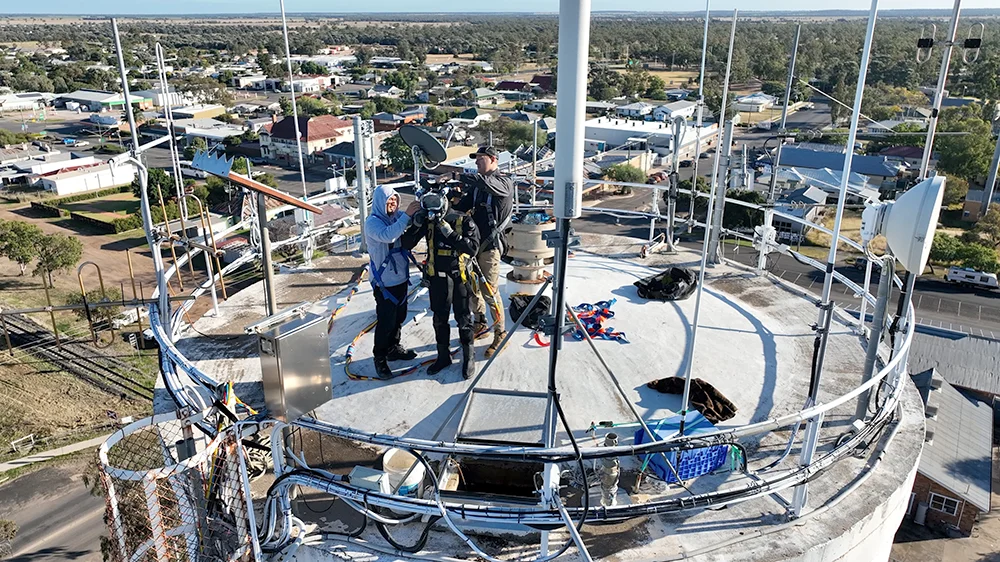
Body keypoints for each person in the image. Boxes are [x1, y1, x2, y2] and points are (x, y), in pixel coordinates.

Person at [402, 185, 481, 379]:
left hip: (459, 277)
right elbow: (406, 243)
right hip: (437, 278)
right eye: (428, 204)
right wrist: (417, 223)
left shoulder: (463, 220)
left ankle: (468, 357)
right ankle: (443, 356)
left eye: (436, 204)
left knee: (463, 319)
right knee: (439, 319)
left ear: (445, 203)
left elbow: (472, 249)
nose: (433, 210)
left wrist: (449, 232)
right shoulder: (429, 223)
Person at [453, 145, 515, 358]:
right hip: (474, 245)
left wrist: (462, 176)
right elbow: (461, 207)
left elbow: (489, 185)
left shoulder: (504, 182)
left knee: (490, 290)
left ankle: (500, 334)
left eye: (481, 159)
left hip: (490, 246)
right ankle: (481, 322)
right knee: (472, 287)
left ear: (493, 159)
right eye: (476, 159)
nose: (477, 162)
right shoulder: (478, 187)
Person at [365, 184, 421, 380]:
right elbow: (388, 235)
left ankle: (393, 348)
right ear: (380, 201)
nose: (393, 204)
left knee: (399, 317)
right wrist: (407, 215)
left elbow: (409, 228)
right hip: (384, 282)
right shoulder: (373, 222)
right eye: (389, 200)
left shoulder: (396, 217)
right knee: (386, 321)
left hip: (401, 278)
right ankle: (379, 357)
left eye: (395, 200)